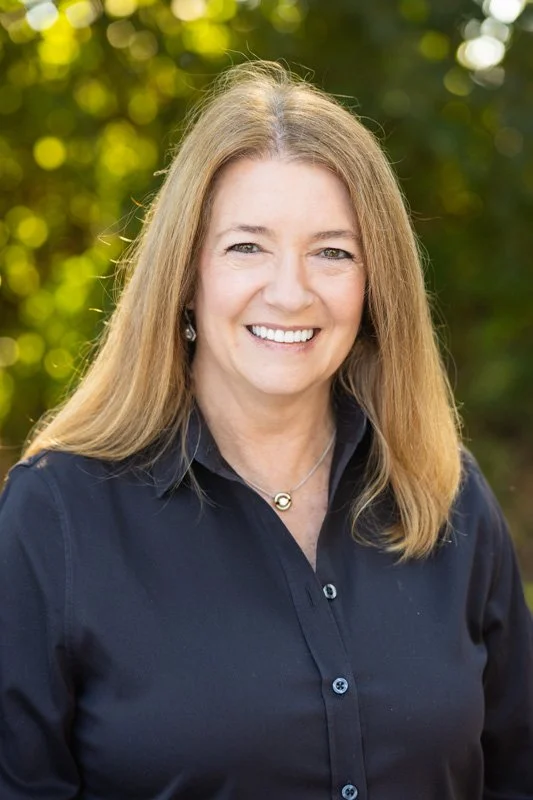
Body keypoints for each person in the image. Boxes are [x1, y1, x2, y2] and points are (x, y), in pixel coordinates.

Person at [0, 60, 532, 800]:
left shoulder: (444, 495)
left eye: (332, 252)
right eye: (247, 246)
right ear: (187, 275)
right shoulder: (55, 516)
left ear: (375, 286)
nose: (290, 292)